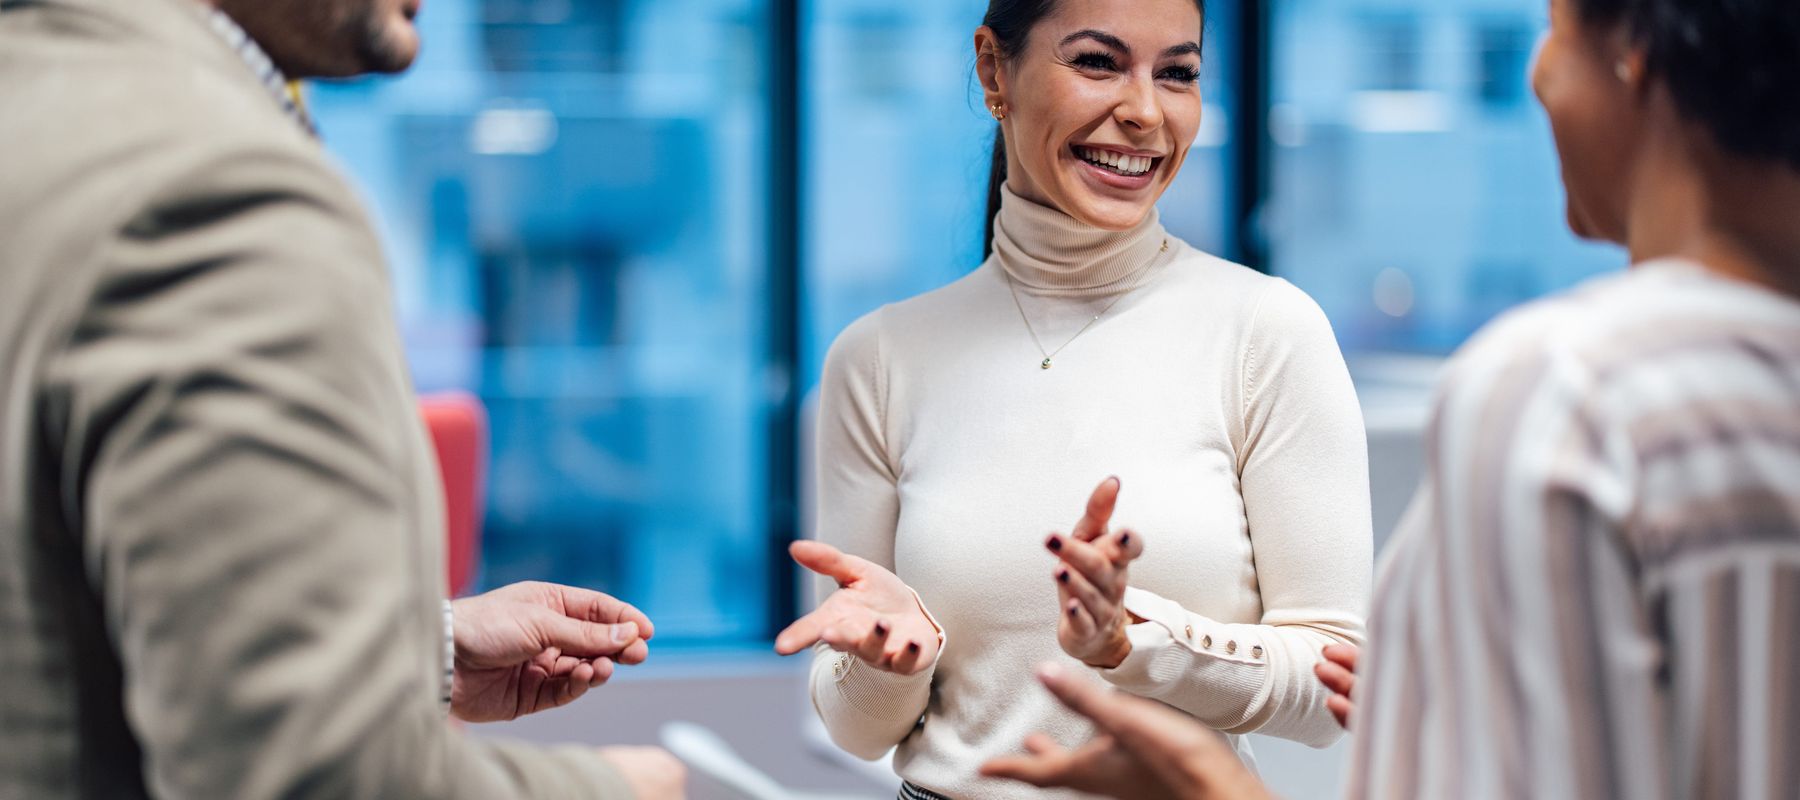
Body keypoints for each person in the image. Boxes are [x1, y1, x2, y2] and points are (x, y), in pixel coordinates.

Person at [981, 0, 1800, 796]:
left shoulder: (1570, 394)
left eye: (1552, 30)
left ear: (1636, 61)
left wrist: (1214, 790)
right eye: (1097, 63)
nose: (1539, 75)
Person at [0, 0, 685, 796]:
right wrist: (624, 790)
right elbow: (319, 782)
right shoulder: (214, 190)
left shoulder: (42, 107)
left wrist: (419, 649)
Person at [774, 0, 1373, 796]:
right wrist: (891, 661)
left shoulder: (1267, 332)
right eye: (1098, 62)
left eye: (1178, 74)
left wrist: (1136, 641)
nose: (1145, 112)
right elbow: (854, 728)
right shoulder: (880, 359)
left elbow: (1337, 685)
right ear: (995, 70)